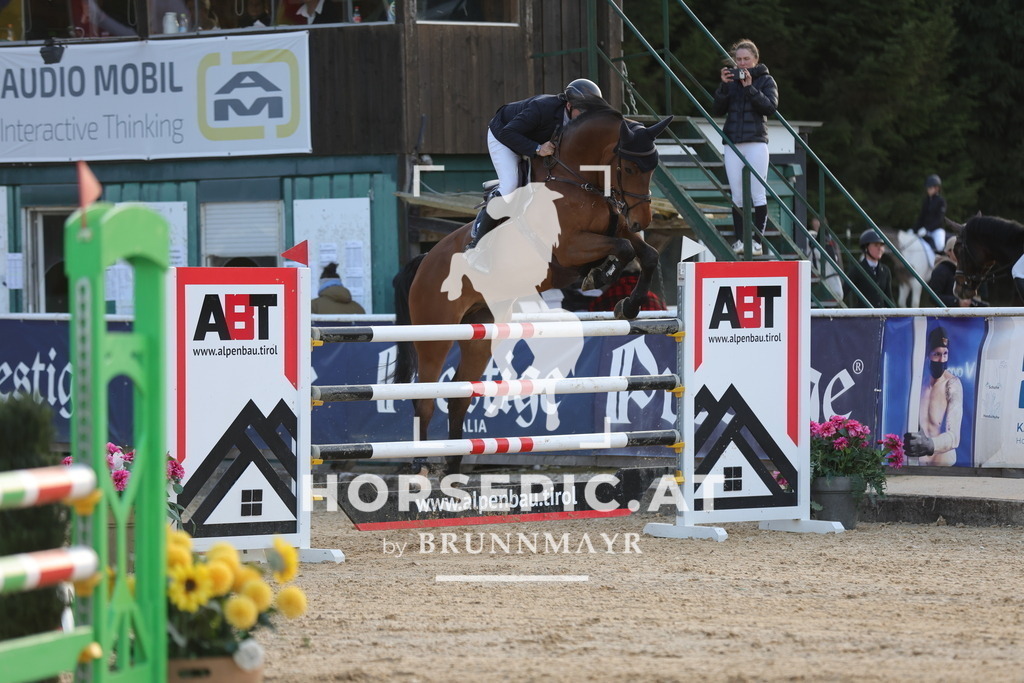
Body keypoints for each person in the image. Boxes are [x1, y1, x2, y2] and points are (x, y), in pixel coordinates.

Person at [466, 78, 604, 251]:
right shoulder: (542, 108)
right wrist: (537, 148)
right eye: (583, 112)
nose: (587, 117)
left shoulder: (583, 117)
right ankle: (477, 242)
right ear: (568, 106)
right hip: (504, 137)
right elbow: (508, 132)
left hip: (533, 137)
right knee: (510, 186)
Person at [711, 39, 779, 256]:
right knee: (737, 196)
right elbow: (717, 109)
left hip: (757, 142)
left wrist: (750, 88)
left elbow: (770, 107)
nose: (742, 64)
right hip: (733, 143)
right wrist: (724, 86)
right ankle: (741, 240)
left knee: (758, 194)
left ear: (755, 60)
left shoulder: (766, 80)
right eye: (738, 60)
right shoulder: (730, 81)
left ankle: (758, 242)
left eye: (746, 59)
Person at [904, 326, 962, 466]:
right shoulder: (917, 383)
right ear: (927, 355)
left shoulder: (952, 384)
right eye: (936, 354)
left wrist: (930, 444)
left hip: (943, 465)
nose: (942, 360)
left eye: (945, 354)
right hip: (917, 464)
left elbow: (954, 436)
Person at [846, 228, 893, 307]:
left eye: (881, 245)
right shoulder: (857, 269)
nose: (880, 248)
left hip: (881, 317)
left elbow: (888, 298)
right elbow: (844, 291)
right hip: (863, 316)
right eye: (875, 245)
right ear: (866, 248)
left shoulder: (885, 270)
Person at [927, 236, 979, 307]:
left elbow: (968, 297)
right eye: (957, 249)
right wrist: (956, 302)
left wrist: (981, 305)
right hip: (945, 316)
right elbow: (933, 297)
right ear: (949, 252)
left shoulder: (966, 270)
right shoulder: (940, 270)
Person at [916, 174, 947, 254]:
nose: (928, 190)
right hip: (925, 230)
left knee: (940, 245)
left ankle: (942, 262)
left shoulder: (941, 201)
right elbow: (921, 217)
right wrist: (913, 230)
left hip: (937, 230)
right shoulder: (926, 201)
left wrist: (927, 229)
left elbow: (939, 219)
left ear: (937, 188)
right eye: (928, 188)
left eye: (930, 188)